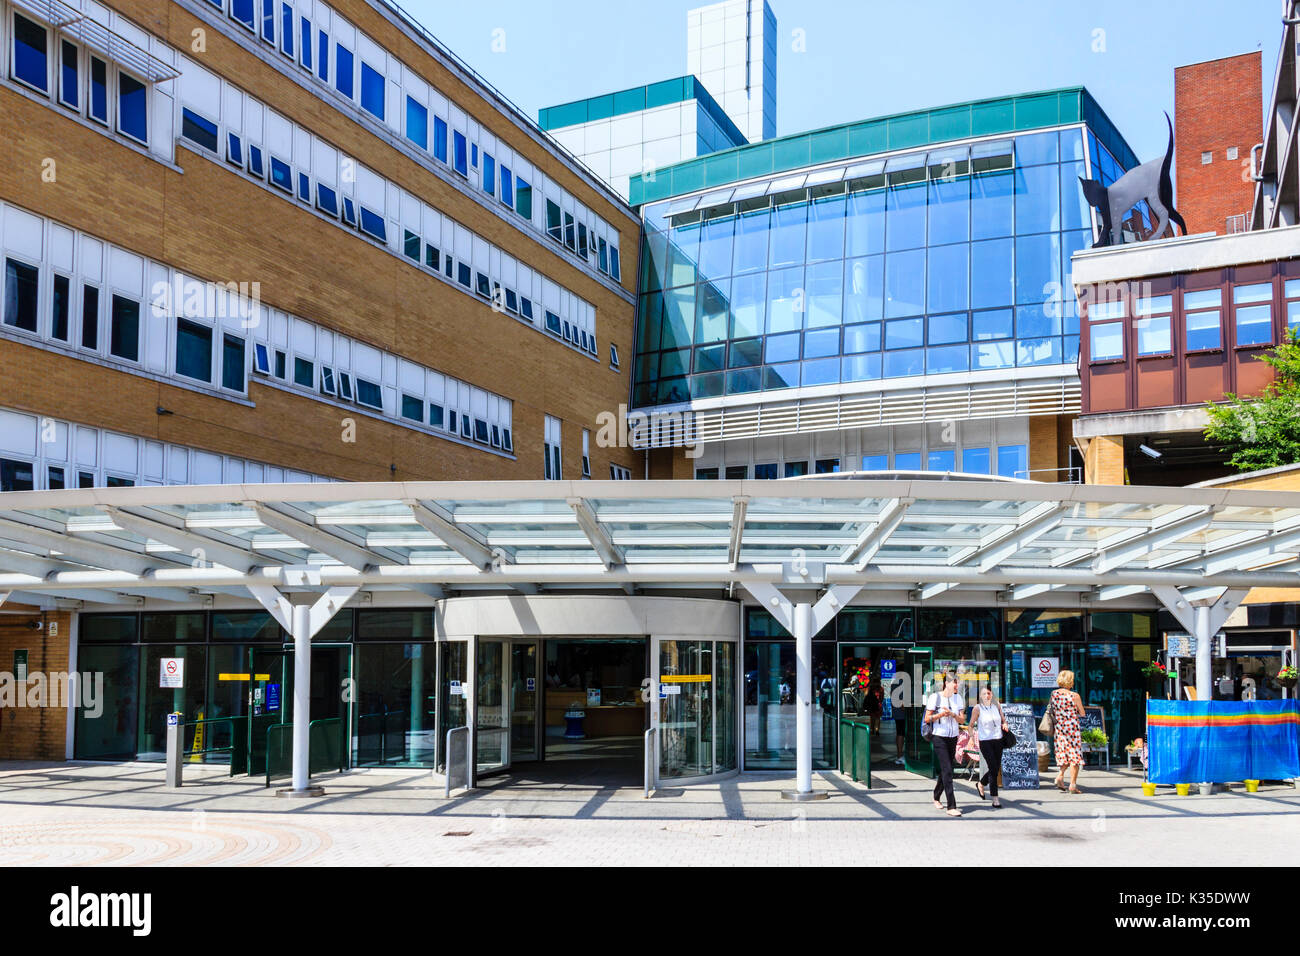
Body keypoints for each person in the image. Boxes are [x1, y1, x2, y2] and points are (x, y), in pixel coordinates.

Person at [924, 673, 965, 817]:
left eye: (957, 682)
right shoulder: (935, 697)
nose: (956, 685)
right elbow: (927, 718)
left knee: (947, 768)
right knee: (947, 769)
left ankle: (936, 795)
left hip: (953, 737)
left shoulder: (958, 698)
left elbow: (962, 720)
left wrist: (953, 715)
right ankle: (951, 806)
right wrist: (941, 715)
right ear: (946, 683)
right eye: (954, 682)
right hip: (939, 736)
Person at [969, 686, 1009, 808]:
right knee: (993, 768)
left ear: (992, 694)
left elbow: (1003, 720)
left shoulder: (997, 705)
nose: (987, 696)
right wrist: (971, 738)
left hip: (998, 740)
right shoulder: (977, 708)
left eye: (989, 693)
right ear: (980, 696)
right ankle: (995, 798)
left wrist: (1005, 725)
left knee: (995, 768)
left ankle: (981, 784)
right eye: (984, 694)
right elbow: (970, 725)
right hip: (985, 741)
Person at [1051, 669, 1086, 794]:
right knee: (1074, 757)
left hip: (1060, 729)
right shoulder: (1074, 696)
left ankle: (1060, 776)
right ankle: (1072, 785)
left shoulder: (1054, 694)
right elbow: (1082, 713)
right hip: (1072, 730)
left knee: (1064, 754)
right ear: (1070, 681)